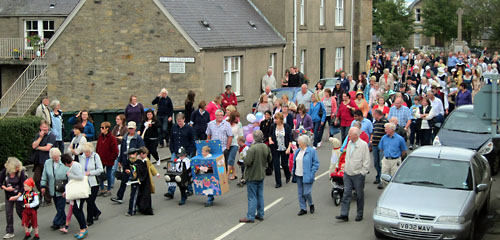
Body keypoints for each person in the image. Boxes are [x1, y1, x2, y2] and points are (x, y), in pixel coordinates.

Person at [336, 127, 370, 222]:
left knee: (359, 195)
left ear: (356, 135)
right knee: (346, 194)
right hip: (347, 173)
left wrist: (362, 173)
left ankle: (359, 214)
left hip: (358, 174)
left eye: (350, 133)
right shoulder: (349, 143)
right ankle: (344, 214)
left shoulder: (363, 145)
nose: (348, 135)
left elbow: (366, 161)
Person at [239, 130, 272, 223]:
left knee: (252, 196)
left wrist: (243, 158)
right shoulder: (265, 147)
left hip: (252, 174)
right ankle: (261, 214)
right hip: (261, 173)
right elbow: (270, 159)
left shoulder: (252, 149)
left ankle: (250, 216)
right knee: (260, 195)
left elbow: (248, 162)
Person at [111, 121, 145, 204]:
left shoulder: (138, 138)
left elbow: (142, 149)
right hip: (126, 161)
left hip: (135, 162)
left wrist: (138, 159)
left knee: (136, 180)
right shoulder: (125, 137)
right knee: (124, 179)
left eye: (132, 128)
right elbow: (122, 149)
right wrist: (120, 160)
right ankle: (119, 197)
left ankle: (138, 197)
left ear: (135, 128)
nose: (131, 130)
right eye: (129, 128)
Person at [205, 109, 234, 206]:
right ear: (215, 116)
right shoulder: (210, 124)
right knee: (211, 170)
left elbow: (230, 136)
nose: (220, 117)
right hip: (213, 150)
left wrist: (228, 147)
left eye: (222, 115)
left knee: (221, 168)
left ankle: (221, 183)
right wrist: (207, 146)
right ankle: (211, 192)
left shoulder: (226, 124)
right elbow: (208, 136)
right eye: (218, 115)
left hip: (223, 149)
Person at [166, 113, 196, 199]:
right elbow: (171, 139)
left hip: (185, 153)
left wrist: (189, 153)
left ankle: (189, 189)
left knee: (186, 172)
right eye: (177, 121)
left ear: (184, 120)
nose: (179, 123)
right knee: (172, 171)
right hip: (175, 152)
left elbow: (192, 142)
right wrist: (172, 150)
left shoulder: (189, 129)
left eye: (180, 121)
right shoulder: (174, 128)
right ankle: (170, 191)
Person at [40, 148, 69, 230]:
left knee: (60, 207)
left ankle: (56, 222)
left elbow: (69, 174)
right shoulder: (48, 163)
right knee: (58, 206)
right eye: (54, 157)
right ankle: (63, 219)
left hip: (62, 188)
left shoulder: (64, 162)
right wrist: (42, 185)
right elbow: (44, 174)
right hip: (53, 188)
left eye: (57, 157)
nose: (56, 159)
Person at [61, 153, 88, 239]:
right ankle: (83, 227)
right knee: (77, 210)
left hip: (79, 193)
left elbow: (80, 177)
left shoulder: (74, 166)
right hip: (78, 192)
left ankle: (83, 228)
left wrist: (70, 175)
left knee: (77, 210)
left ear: (66, 162)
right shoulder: (75, 165)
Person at [292, 135, 320, 216]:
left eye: (299, 141)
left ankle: (311, 204)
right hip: (298, 174)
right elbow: (295, 162)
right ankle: (303, 208)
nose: (298, 143)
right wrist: (293, 172)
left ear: (304, 143)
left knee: (306, 192)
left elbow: (316, 163)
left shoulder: (311, 151)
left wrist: (312, 173)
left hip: (307, 175)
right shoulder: (298, 151)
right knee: (300, 193)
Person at [32, 120, 56, 205]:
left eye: (46, 129)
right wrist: (40, 137)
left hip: (47, 161)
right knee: (37, 179)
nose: (45, 131)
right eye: (43, 129)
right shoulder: (38, 136)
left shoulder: (51, 136)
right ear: (40, 128)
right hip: (38, 161)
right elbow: (34, 145)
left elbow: (47, 148)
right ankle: (43, 194)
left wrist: (38, 148)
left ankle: (48, 198)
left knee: (46, 179)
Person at [1, 157, 26, 239]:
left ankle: (28, 224)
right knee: (8, 213)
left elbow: (23, 186)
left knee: (20, 211)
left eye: (18, 167)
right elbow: (0, 182)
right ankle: (9, 231)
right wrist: (5, 188)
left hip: (18, 195)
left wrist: (18, 196)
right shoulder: (5, 171)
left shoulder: (20, 172)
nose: (18, 168)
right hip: (9, 195)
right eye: (16, 167)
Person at [79, 142, 103, 226]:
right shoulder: (82, 157)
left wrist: (90, 173)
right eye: (85, 152)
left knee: (90, 201)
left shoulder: (96, 156)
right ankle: (96, 212)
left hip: (93, 182)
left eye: (88, 152)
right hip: (84, 182)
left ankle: (89, 220)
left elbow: (100, 169)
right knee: (88, 199)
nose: (86, 154)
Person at [378, 122, 407, 189]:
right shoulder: (383, 138)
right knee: (384, 177)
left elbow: (404, 151)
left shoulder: (400, 139)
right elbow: (381, 148)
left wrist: (398, 157)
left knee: (394, 176)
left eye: (387, 129)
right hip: (386, 159)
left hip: (395, 160)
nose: (385, 131)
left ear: (392, 129)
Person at [125, 147, 153, 215]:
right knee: (134, 195)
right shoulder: (130, 161)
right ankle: (137, 207)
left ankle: (132, 211)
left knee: (133, 196)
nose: (129, 156)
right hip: (133, 181)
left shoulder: (139, 162)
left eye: (131, 154)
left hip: (138, 181)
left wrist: (139, 178)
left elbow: (143, 172)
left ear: (135, 154)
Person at [269, 113, 292, 188]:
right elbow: (269, 135)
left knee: (284, 164)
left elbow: (290, 139)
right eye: (275, 119)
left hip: (284, 148)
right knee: (276, 165)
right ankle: (278, 182)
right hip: (275, 148)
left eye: (277, 119)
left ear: (281, 119)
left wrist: (289, 148)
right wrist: (270, 140)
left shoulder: (286, 127)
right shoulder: (273, 126)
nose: (275, 120)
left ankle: (287, 175)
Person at [96, 121, 119, 197]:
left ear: (107, 128)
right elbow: (98, 147)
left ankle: (109, 189)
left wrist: (111, 158)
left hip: (108, 159)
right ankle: (102, 188)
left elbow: (115, 151)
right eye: (101, 127)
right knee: (100, 174)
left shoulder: (112, 138)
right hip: (100, 159)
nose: (101, 129)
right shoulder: (100, 137)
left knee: (108, 174)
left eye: (103, 128)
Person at [370, 109, 388, 185]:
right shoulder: (375, 122)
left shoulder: (385, 122)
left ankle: (381, 179)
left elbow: (387, 132)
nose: (373, 115)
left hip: (382, 146)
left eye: (374, 114)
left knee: (381, 163)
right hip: (374, 144)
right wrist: (371, 141)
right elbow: (373, 133)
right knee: (376, 162)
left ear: (377, 114)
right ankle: (378, 176)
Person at [111, 114, 128, 187]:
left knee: (125, 166)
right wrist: (117, 138)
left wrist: (117, 138)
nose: (116, 120)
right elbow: (112, 136)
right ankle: (111, 183)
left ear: (122, 120)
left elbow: (124, 137)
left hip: (122, 148)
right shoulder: (115, 128)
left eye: (118, 119)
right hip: (116, 148)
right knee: (113, 167)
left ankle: (127, 179)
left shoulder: (125, 128)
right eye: (116, 119)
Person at [228, 111, 243, 180]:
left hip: (235, 144)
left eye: (238, 117)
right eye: (236, 117)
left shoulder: (239, 124)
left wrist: (241, 143)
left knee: (231, 159)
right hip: (227, 143)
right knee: (229, 159)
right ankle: (234, 174)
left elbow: (241, 134)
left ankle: (225, 176)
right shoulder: (226, 123)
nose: (238, 118)